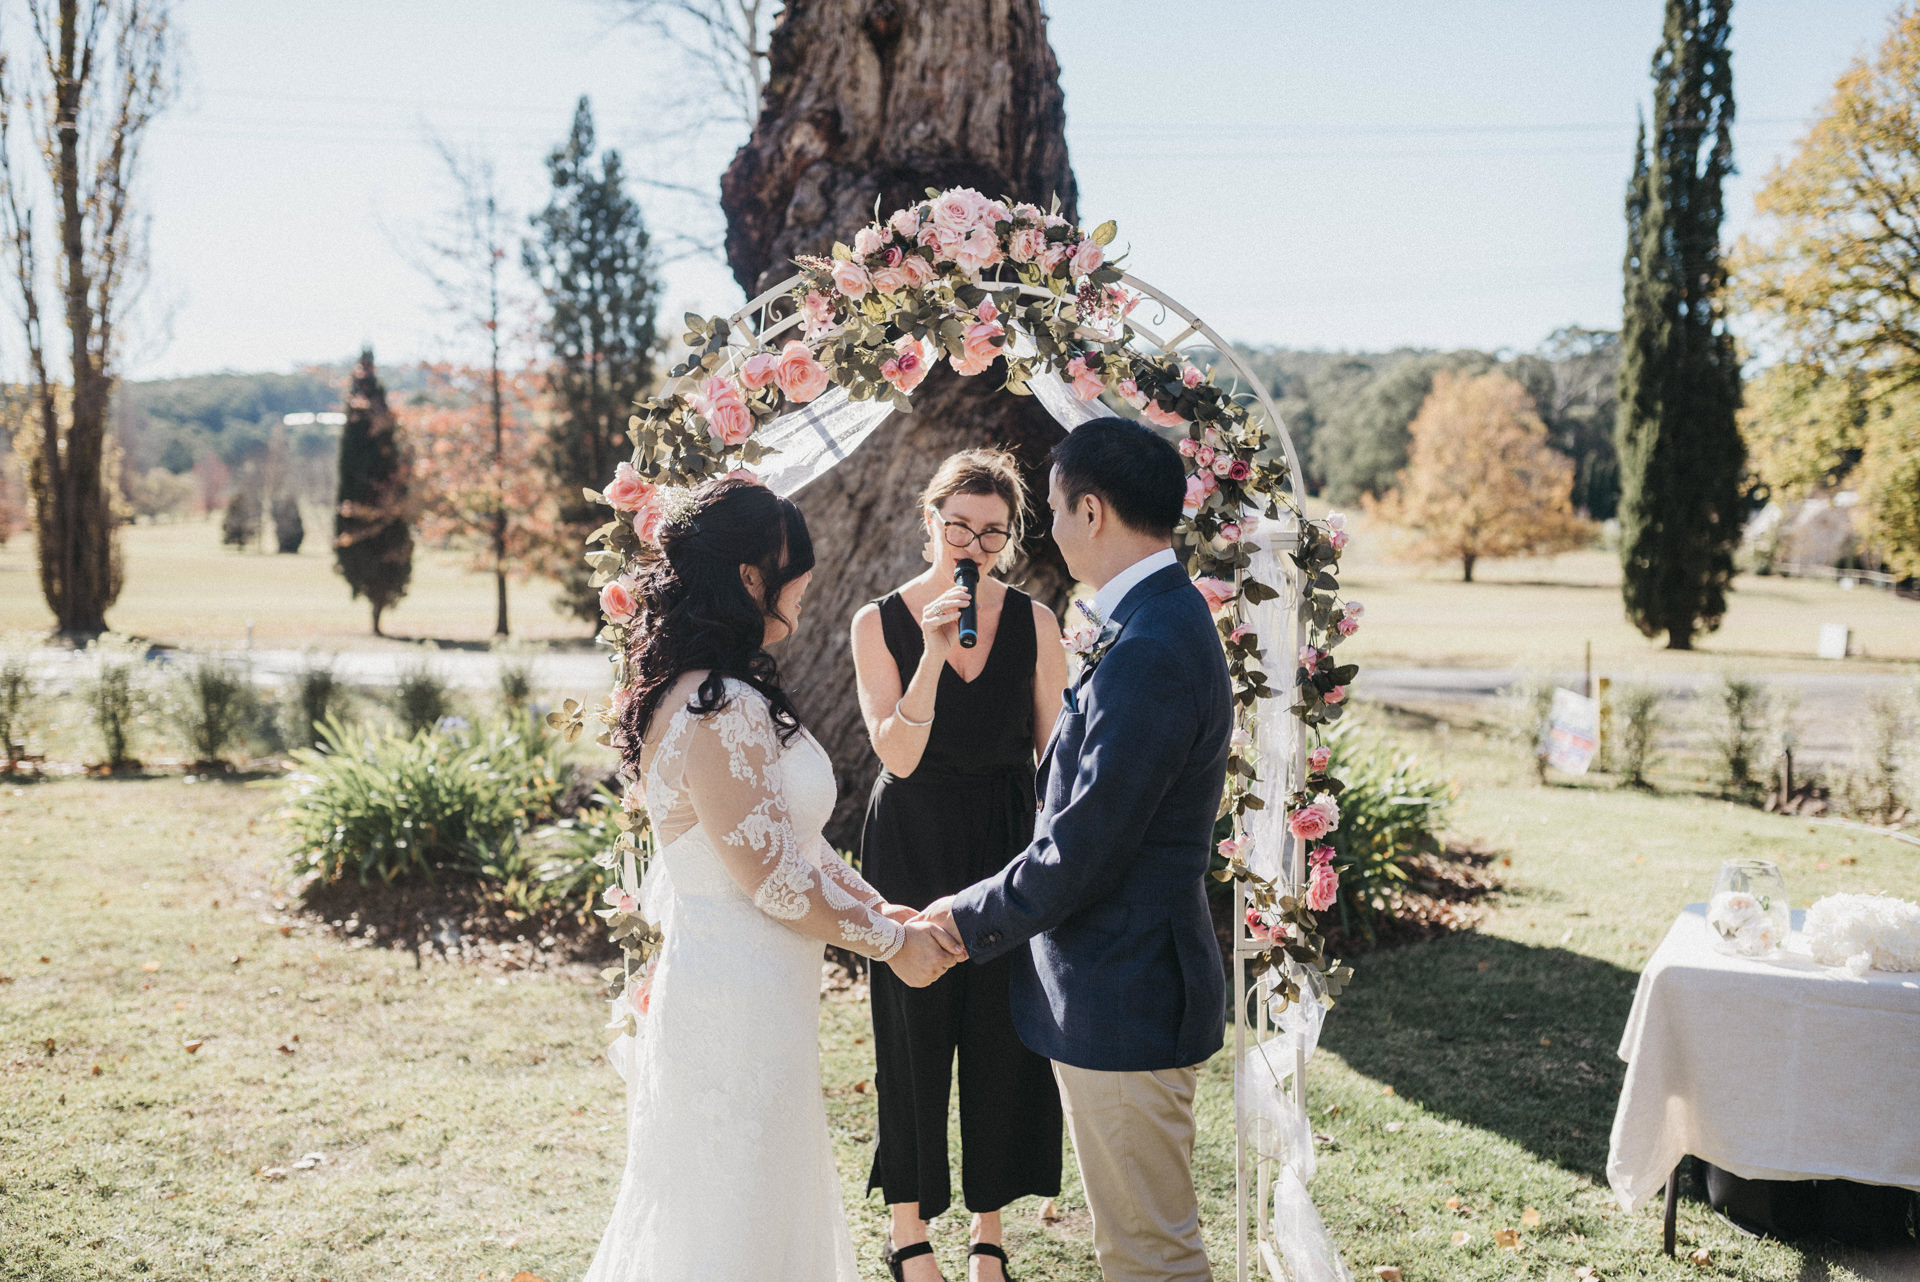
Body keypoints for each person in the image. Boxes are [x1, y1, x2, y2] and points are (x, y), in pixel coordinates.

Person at [583, 477, 965, 1282]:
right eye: (795, 568)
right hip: (734, 1001)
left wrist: (872, 903)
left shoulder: (722, 692)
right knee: (732, 1218)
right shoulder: (717, 707)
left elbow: (795, 843)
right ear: (751, 577)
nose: (806, 583)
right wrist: (892, 943)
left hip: (759, 990)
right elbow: (776, 883)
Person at [921, 418, 1233, 1282]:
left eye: (1053, 508)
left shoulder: (1153, 648)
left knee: (1151, 1255)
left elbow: (1083, 845)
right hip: (1118, 985)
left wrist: (959, 918)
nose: (1046, 529)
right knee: (1133, 1245)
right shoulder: (1151, 621)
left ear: (1090, 511)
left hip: (1128, 991)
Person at [850, 449, 1069, 1282]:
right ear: (929, 522)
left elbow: (1055, 756)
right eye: (957, 528)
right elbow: (897, 756)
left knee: (1001, 1035)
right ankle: (908, 1233)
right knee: (912, 1034)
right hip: (912, 833)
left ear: (1010, 538)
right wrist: (936, 651)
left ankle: (989, 1238)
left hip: (1006, 839)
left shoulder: (1037, 623)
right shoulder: (879, 622)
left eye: (992, 532)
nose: (971, 545)